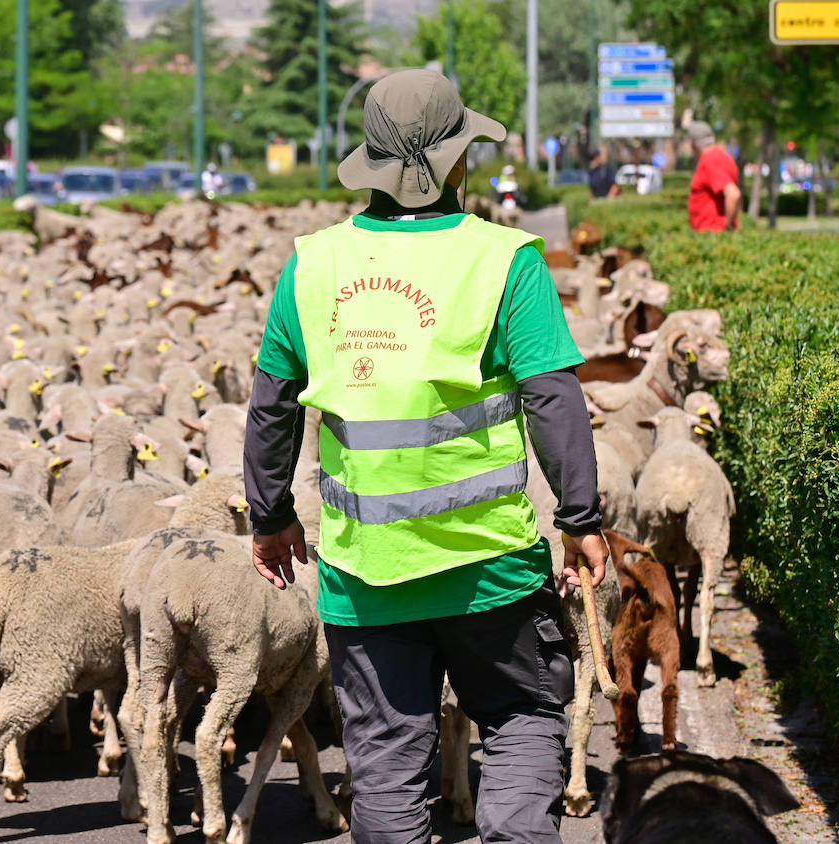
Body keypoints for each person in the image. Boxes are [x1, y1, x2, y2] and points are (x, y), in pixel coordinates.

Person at [243, 68, 608, 843]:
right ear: (456, 159)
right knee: (519, 720)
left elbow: (272, 403)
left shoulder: (312, 266)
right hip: (491, 572)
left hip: (366, 576)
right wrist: (581, 517)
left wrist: (269, 516)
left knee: (385, 764)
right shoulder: (505, 260)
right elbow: (553, 396)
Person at [687, 120, 740, 231]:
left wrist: (728, 227)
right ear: (713, 137)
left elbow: (733, 194)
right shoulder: (724, 157)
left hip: (713, 232)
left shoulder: (709, 160)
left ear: (692, 144)